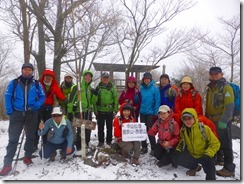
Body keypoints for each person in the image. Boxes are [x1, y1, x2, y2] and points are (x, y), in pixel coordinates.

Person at [0, 63, 46, 176]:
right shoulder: (14, 82)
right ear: (22, 70)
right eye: (25, 69)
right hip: (17, 113)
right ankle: (7, 164)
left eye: (29, 70)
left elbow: (42, 96)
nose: (27, 71)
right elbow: (8, 95)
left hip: (32, 113)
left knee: (31, 136)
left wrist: (37, 104)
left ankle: (28, 156)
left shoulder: (36, 83)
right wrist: (10, 110)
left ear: (32, 71)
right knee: (13, 138)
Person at [171, 108, 220, 180]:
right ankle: (195, 167)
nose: (187, 121)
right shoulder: (183, 130)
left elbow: (215, 143)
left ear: (194, 117)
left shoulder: (204, 129)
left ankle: (211, 179)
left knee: (209, 164)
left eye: (189, 118)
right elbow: (182, 141)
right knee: (176, 157)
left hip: (205, 154)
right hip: (193, 154)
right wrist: (178, 150)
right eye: (185, 119)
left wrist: (208, 154)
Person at [205, 66, 235, 177]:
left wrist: (224, 120)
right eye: (212, 74)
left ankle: (229, 168)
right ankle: (220, 159)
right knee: (216, 141)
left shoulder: (226, 88)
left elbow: (229, 106)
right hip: (212, 120)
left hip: (222, 120)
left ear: (221, 74)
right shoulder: (210, 88)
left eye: (216, 74)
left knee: (226, 144)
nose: (214, 75)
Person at [67, 70, 95, 150]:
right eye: (86, 76)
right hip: (80, 110)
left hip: (88, 110)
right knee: (80, 128)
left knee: (88, 127)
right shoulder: (77, 87)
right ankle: (79, 145)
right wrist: (70, 111)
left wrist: (95, 95)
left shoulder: (90, 88)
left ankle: (86, 142)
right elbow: (71, 100)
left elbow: (92, 101)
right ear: (83, 76)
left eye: (90, 76)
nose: (88, 77)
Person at [37, 69, 66, 145]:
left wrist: (65, 100)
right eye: (46, 76)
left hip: (48, 107)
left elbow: (59, 94)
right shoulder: (38, 84)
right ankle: (34, 143)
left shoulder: (54, 85)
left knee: (47, 124)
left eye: (50, 76)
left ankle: (45, 141)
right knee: (37, 124)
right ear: (43, 76)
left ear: (52, 77)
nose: (48, 77)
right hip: (38, 106)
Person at [93, 72, 118, 147]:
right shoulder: (98, 88)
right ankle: (101, 141)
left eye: (107, 77)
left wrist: (115, 110)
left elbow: (115, 99)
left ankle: (109, 140)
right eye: (104, 77)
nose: (105, 79)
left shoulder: (112, 87)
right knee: (100, 127)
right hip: (100, 110)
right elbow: (94, 100)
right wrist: (95, 110)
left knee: (109, 127)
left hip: (110, 110)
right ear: (101, 78)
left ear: (109, 78)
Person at [139, 72, 160, 155]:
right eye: (145, 78)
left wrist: (156, 112)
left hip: (150, 113)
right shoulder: (141, 88)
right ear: (143, 79)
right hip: (142, 112)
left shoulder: (155, 89)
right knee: (142, 130)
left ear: (150, 79)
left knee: (150, 130)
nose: (146, 80)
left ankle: (153, 148)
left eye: (148, 78)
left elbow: (157, 101)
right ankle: (144, 147)